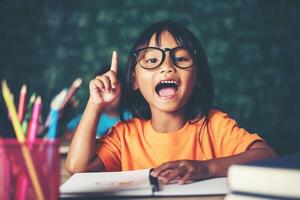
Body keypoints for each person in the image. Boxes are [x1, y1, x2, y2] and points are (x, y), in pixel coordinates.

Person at [66, 21, 276, 185]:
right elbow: (77, 166)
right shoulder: (125, 136)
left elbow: (267, 156)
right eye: (151, 60)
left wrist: (206, 168)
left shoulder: (215, 126)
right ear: (135, 80)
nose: (166, 67)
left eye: (181, 58)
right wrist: (95, 104)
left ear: (199, 77)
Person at [64, 66, 131, 139]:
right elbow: (66, 133)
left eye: (113, 90)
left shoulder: (131, 118)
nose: (108, 95)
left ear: (123, 91)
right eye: (103, 90)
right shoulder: (87, 117)